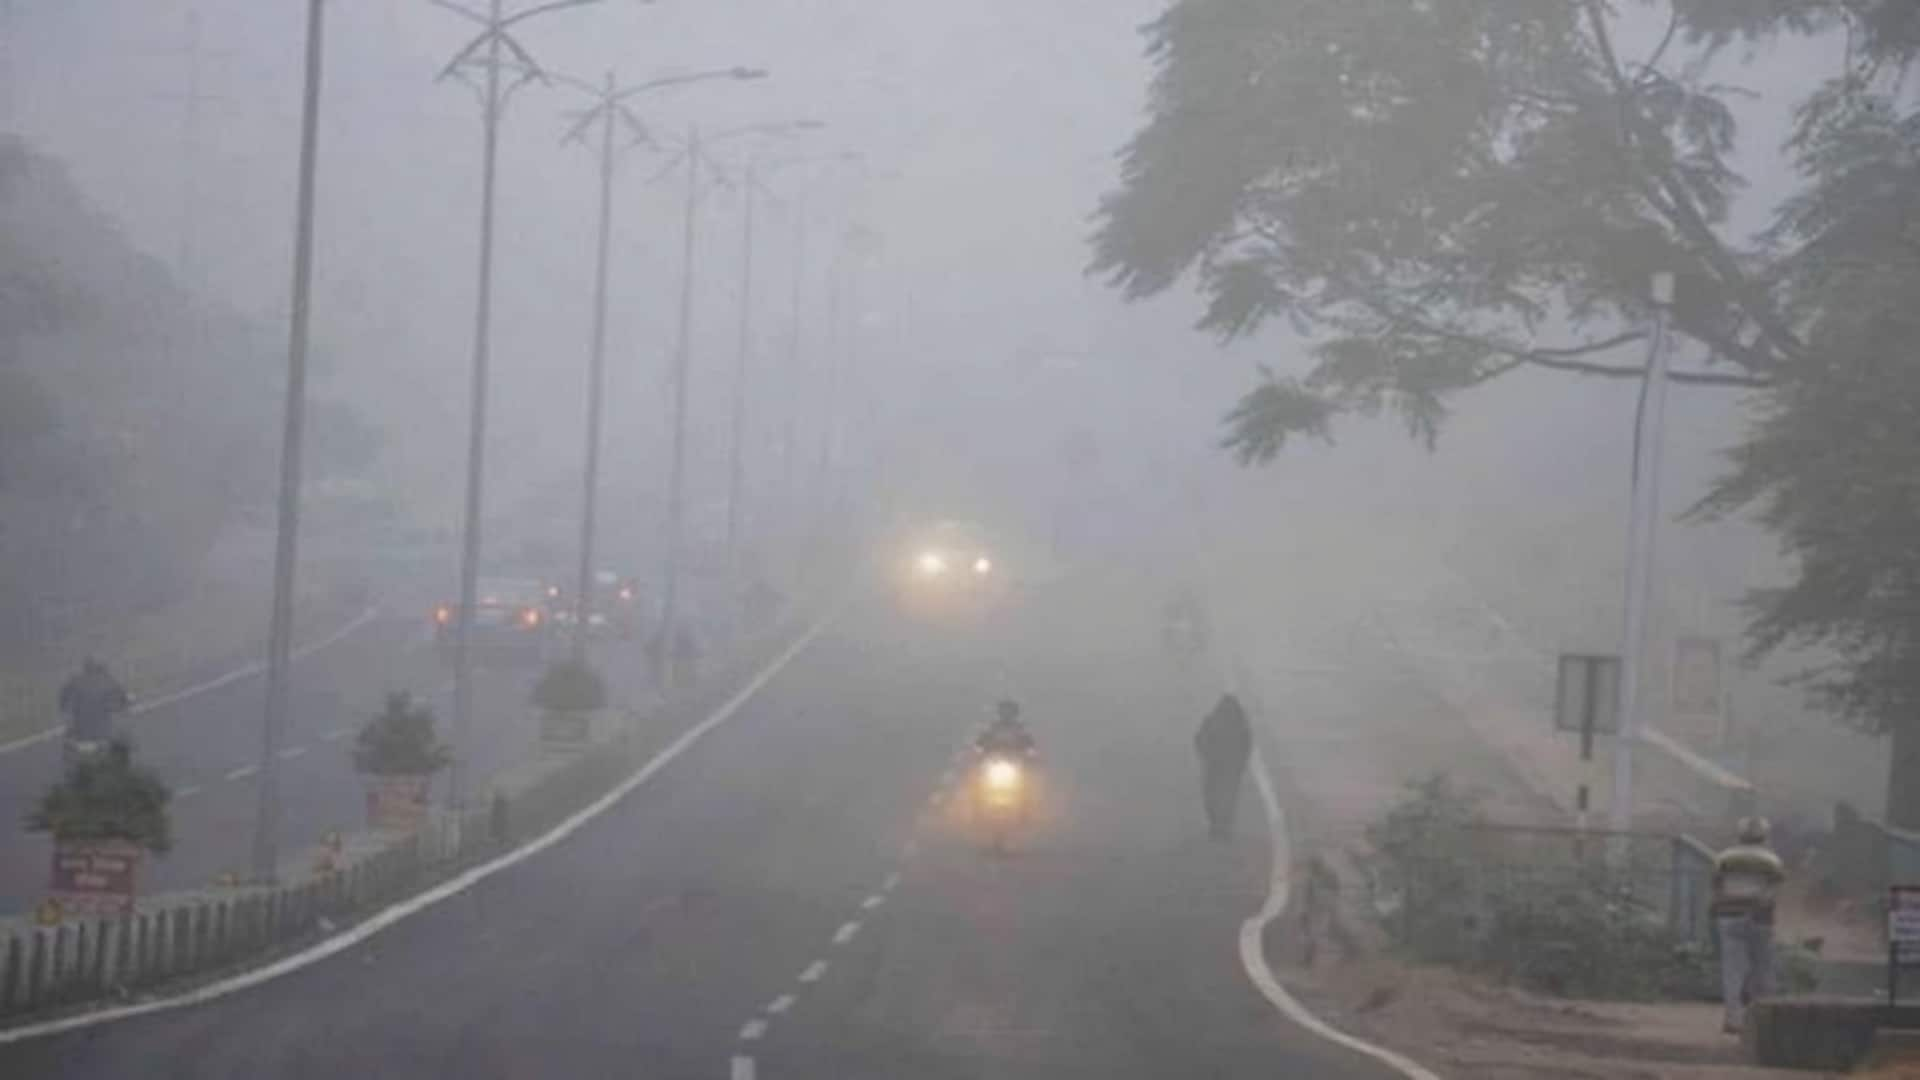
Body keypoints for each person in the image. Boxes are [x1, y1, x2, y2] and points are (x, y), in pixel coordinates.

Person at [1712, 816, 1787, 1034]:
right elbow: (1774, 889)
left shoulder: (1724, 857)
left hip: (1729, 915)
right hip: (1760, 918)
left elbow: (1716, 886)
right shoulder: (1772, 860)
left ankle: (1732, 1019)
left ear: (1739, 835)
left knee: (1732, 969)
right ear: (1764, 836)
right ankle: (1761, 1020)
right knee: (1763, 969)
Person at [1194, 692, 1252, 840]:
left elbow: (1199, 740)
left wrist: (1205, 756)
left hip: (1217, 765)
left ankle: (1219, 825)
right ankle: (1222, 825)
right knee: (1226, 797)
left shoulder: (1212, 720)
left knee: (1213, 796)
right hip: (1225, 766)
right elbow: (1246, 745)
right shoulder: (1239, 724)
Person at [58, 657, 131, 744]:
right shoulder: (108, 680)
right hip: (102, 732)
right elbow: (122, 699)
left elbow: (63, 700)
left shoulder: (75, 681)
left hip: (81, 731)